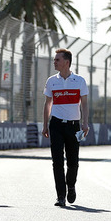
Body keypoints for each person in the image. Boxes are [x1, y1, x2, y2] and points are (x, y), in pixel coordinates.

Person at [42, 48, 89, 207]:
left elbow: (84, 103)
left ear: (66, 62)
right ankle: (60, 196)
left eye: (57, 60)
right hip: (55, 124)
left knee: (73, 162)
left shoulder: (80, 81)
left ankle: (71, 185)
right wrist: (45, 125)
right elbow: (47, 104)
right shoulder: (51, 81)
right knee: (57, 161)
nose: (54, 62)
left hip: (74, 126)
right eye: (54, 59)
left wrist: (85, 123)